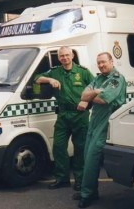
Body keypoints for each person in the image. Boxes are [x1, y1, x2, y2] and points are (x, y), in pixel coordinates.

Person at [35, 46, 94, 192]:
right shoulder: (55, 72)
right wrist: (49, 80)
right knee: (58, 147)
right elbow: (37, 79)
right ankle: (62, 179)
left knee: (80, 149)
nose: (65, 58)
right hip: (62, 116)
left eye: (67, 55)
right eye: (62, 56)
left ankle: (80, 181)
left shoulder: (83, 72)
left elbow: (96, 87)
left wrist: (86, 102)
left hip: (80, 116)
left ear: (72, 55)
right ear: (59, 57)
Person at [74, 52, 126, 208]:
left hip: (106, 124)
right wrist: (95, 92)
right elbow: (83, 94)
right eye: (99, 63)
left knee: (91, 159)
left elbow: (104, 99)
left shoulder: (117, 79)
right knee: (86, 156)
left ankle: (86, 195)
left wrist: (92, 94)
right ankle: (90, 191)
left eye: (104, 62)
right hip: (94, 122)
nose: (101, 65)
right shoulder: (98, 78)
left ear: (111, 61)